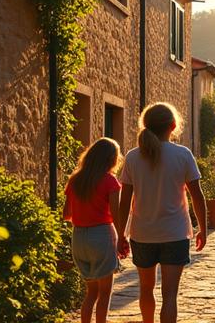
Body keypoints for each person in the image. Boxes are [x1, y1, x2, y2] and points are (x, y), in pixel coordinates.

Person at [117, 102, 207, 323]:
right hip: (174, 234)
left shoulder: (133, 157)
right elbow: (197, 195)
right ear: (173, 125)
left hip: (142, 234)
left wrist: (120, 234)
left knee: (146, 291)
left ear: (145, 126)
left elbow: (124, 200)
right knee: (169, 295)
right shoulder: (183, 154)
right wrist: (203, 229)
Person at [63, 138, 123, 323]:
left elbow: (66, 214)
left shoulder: (75, 180)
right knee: (105, 293)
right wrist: (122, 238)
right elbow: (116, 214)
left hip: (79, 237)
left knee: (91, 293)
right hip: (102, 235)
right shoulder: (109, 181)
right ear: (111, 159)